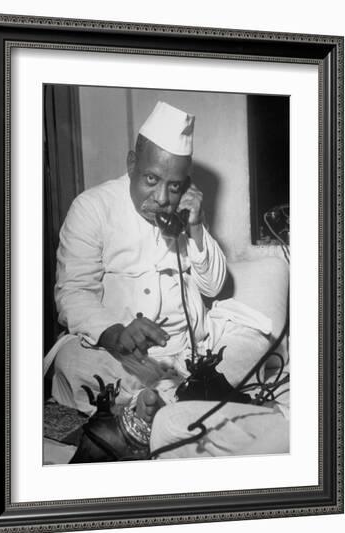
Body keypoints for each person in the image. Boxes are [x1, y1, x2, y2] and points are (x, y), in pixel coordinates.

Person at [44, 101, 289, 459]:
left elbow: (214, 287)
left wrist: (196, 225)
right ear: (131, 164)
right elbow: (73, 293)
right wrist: (116, 332)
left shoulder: (182, 214)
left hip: (194, 353)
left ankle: (154, 408)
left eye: (174, 187)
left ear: (186, 185)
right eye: (151, 180)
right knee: (72, 361)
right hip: (121, 355)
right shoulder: (91, 207)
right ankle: (175, 404)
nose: (161, 198)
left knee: (255, 339)